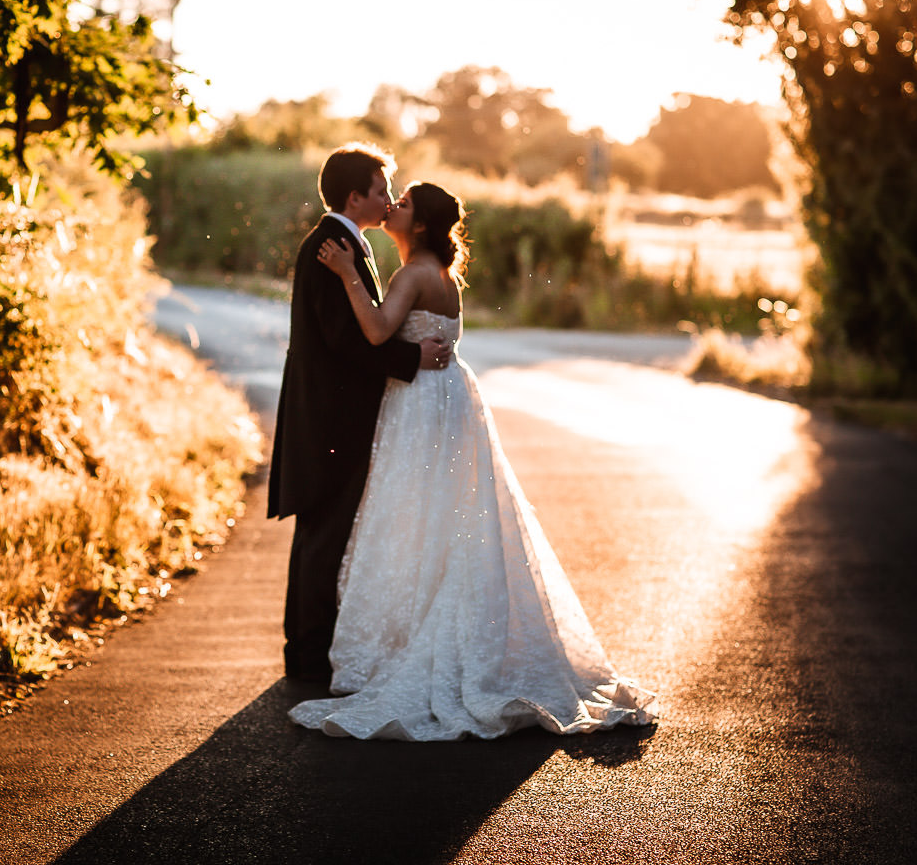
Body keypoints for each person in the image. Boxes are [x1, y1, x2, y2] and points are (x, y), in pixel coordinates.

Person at [288, 181, 658, 740]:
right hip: (450, 400)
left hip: (419, 405)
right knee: (447, 517)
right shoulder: (443, 274)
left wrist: (345, 275)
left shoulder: (412, 274)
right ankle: (429, 628)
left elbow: (376, 330)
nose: (394, 205)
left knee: (414, 514)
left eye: (404, 203)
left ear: (418, 225)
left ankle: (406, 641)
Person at [268, 143, 452, 685]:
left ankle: (309, 652)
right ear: (356, 196)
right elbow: (348, 340)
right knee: (325, 537)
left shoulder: (350, 245)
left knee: (325, 536)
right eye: (381, 190)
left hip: (335, 416)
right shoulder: (332, 245)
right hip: (330, 418)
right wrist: (410, 357)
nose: (389, 199)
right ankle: (307, 658)